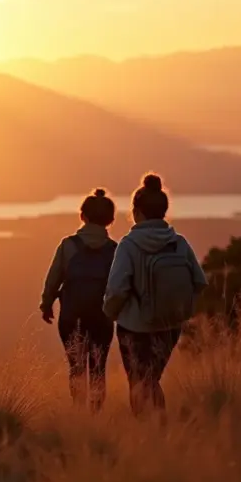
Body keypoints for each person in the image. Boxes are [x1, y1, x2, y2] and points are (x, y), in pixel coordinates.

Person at [103, 173, 207, 417]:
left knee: (139, 384)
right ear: (164, 212)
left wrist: (109, 313)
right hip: (170, 324)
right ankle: (159, 432)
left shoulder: (128, 245)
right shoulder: (179, 243)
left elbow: (117, 289)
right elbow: (199, 282)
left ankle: (149, 433)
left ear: (136, 212)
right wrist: (179, 307)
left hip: (135, 326)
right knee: (152, 379)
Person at [39, 189, 117, 412]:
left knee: (76, 367)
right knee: (98, 367)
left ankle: (78, 412)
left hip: (71, 316)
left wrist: (46, 305)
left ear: (82, 216)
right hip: (102, 317)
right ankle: (96, 414)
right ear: (111, 220)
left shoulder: (68, 246)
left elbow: (53, 280)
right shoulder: (114, 250)